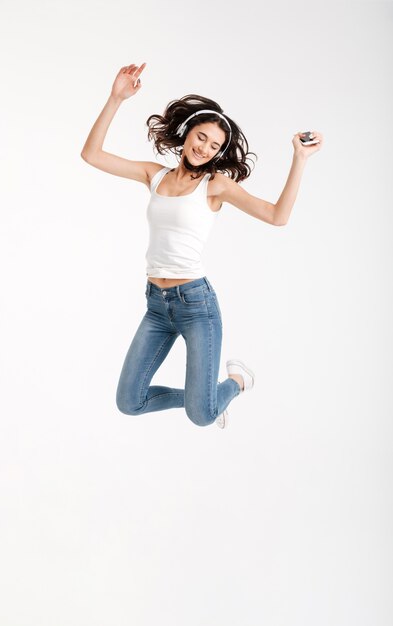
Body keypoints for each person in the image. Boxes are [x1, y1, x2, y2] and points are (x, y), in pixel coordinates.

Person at [80, 62, 323, 429]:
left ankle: (235, 383)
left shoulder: (215, 186)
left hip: (196, 305)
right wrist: (116, 98)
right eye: (201, 137)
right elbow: (92, 155)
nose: (205, 148)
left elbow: (277, 215)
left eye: (215, 146)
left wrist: (299, 159)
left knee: (200, 416)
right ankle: (206, 398)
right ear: (188, 131)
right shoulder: (154, 174)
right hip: (156, 305)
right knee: (130, 402)